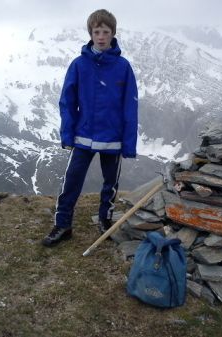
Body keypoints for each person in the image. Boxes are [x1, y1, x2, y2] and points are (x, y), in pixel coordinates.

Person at [42, 9, 138, 247]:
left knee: (110, 185)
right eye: (97, 31)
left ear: (113, 33)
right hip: (83, 136)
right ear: (90, 34)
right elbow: (67, 101)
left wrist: (128, 143)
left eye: (106, 31)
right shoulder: (79, 65)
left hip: (113, 139)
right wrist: (67, 133)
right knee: (71, 182)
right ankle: (63, 225)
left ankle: (105, 221)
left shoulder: (123, 67)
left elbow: (130, 107)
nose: (101, 36)